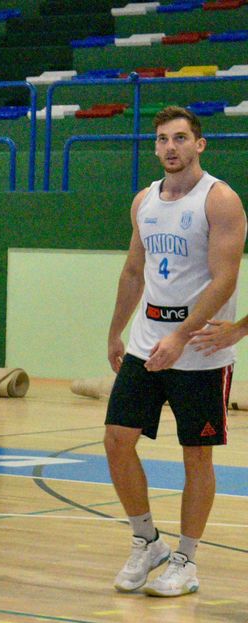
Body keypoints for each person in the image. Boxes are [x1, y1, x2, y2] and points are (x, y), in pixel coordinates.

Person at [104, 105, 244, 597]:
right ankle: (147, 541)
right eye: (163, 139)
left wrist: (183, 335)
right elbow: (133, 271)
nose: (170, 147)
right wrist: (115, 332)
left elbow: (225, 278)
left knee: (196, 457)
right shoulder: (144, 200)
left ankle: (186, 560)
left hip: (200, 350)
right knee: (117, 439)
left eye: (180, 138)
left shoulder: (220, 199)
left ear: (198, 144)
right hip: (147, 342)